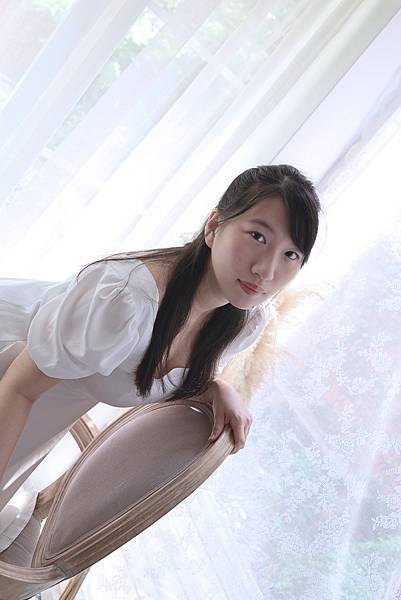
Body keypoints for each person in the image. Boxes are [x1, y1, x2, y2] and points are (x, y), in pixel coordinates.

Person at [0, 163, 321, 553]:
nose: (266, 270)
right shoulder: (126, 299)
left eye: (291, 254)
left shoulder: (241, 322)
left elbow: (152, 367)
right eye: (257, 236)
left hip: (31, 416)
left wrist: (213, 386)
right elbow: (18, 388)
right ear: (214, 226)